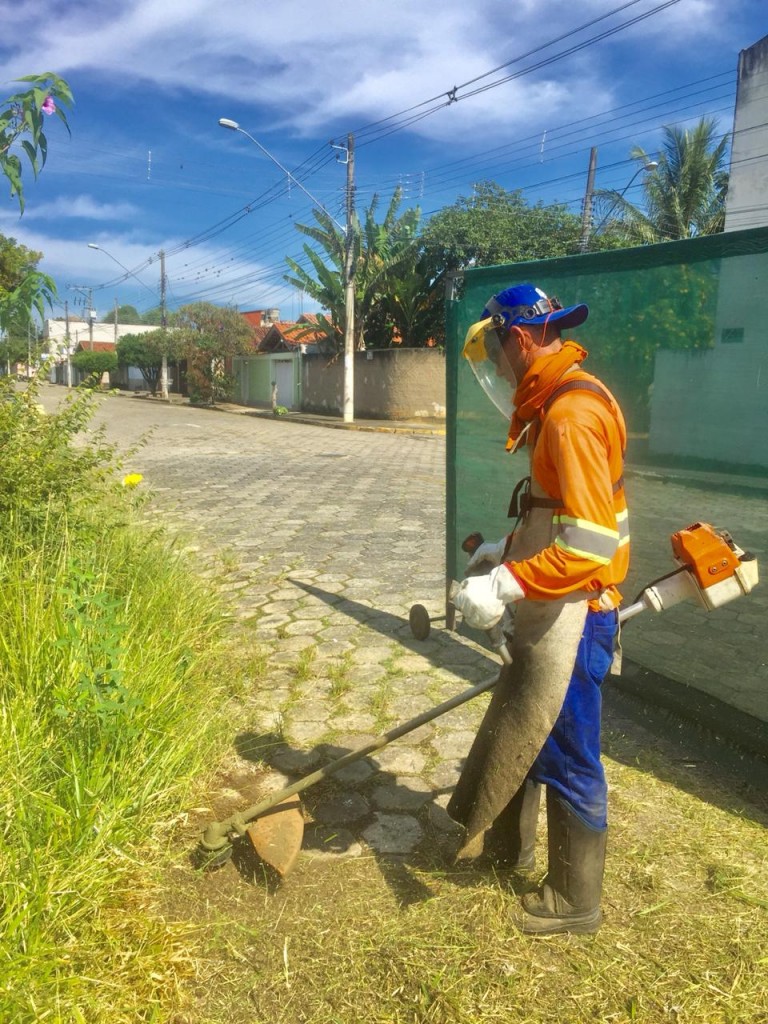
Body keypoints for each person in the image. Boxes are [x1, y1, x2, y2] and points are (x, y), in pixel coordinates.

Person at [448, 282, 629, 936]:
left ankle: (575, 900)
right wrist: (508, 547)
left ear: (518, 339)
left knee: (570, 753)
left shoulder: (570, 415)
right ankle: (509, 853)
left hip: (579, 611)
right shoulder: (556, 399)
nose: (496, 365)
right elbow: (563, 513)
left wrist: (503, 585)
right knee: (528, 726)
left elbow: (589, 545)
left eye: (496, 350)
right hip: (560, 602)